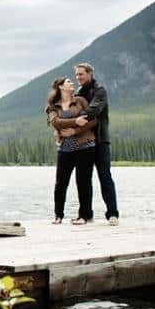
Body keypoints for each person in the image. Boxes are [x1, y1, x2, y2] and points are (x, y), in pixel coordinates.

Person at [56, 63, 120, 226]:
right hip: (85, 144)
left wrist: (72, 124)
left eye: (81, 74)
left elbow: (93, 111)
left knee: (104, 176)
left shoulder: (100, 91)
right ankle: (86, 214)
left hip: (100, 140)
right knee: (85, 179)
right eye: (76, 75)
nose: (78, 77)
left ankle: (112, 214)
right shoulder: (78, 94)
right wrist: (65, 126)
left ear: (90, 73)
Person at [46, 77, 98, 225]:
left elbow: (93, 121)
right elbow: (55, 122)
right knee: (60, 183)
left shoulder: (80, 101)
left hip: (85, 146)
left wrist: (74, 131)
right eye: (69, 82)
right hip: (64, 148)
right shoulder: (52, 107)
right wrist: (76, 121)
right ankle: (58, 215)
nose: (72, 83)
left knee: (83, 182)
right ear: (61, 87)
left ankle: (84, 216)